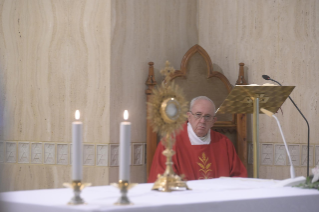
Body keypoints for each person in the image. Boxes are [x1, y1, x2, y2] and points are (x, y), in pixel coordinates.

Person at [147, 96, 247, 183]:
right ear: (189, 116)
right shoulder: (169, 143)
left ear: (213, 121)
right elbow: (161, 182)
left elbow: (239, 178)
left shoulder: (224, 143)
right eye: (198, 115)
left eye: (207, 116)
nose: (202, 121)